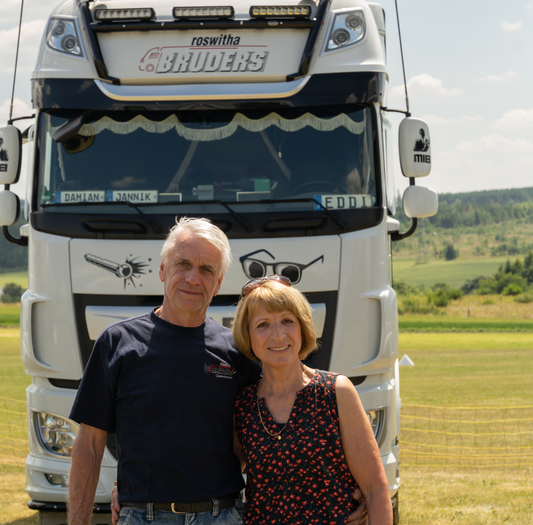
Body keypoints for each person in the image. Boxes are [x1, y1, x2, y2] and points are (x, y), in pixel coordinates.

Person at [68, 217, 259, 525]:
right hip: (143, 517)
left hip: (222, 516)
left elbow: (263, 439)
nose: (193, 279)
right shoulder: (117, 343)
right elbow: (89, 447)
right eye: (182, 264)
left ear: (219, 282)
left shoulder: (238, 352)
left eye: (207, 269)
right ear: (161, 269)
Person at [232, 275, 393, 525]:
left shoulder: (336, 392)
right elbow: (222, 478)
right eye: (262, 324)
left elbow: (375, 489)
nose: (277, 334)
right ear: (248, 335)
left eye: (287, 321)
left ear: (302, 328)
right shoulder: (242, 405)